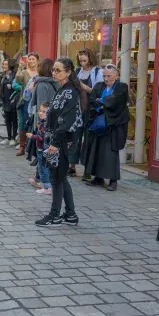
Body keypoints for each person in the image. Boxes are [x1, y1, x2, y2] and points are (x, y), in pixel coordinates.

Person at [35, 57, 83, 227]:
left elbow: (66, 121)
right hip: (58, 139)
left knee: (56, 179)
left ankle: (55, 216)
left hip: (62, 141)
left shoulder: (70, 92)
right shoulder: (62, 89)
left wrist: (55, 143)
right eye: (53, 70)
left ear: (68, 73)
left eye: (58, 70)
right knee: (61, 178)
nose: (54, 73)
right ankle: (70, 215)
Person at [83, 64, 129, 191]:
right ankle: (98, 177)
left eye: (109, 76)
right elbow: (93, 100)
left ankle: (113, 180)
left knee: (111, 152)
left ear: (116, 75)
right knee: (96, 150)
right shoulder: (99, 86)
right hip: (99, 123)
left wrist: (102, 102)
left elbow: (116, 101)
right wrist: (101, 105)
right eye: (104, 76)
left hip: (114, 124)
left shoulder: (121, 87)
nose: (106, 79)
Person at [76, 48, 104, 179]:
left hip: (91, 110)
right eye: (80, 60)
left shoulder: (97, 72)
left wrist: (82, 86)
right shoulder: (78, 72)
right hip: (78, 109)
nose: (82, 62)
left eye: (84, 60)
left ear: (90, 58)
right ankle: (72, 166)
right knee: (75, 137)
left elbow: (98, 92)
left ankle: (87, 170)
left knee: (88, 140)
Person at [29, 58, 59, 164]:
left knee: (42, 149)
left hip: (45, 121)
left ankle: (41, 177)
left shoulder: (41, 84)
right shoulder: (55, 83)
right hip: (54, 118)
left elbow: (41, 108)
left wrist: (39, 124)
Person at [15, 52, 40, 156]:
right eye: (29, 59)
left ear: (37, 61)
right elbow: (17, 79)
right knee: (23, 124)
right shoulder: (24, 72)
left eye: (33, 59)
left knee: (37, 123)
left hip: (37, 100)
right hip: (25, 101)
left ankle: (35, 146)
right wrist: (20, 68)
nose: (31, 61)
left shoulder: (40, 72)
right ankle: (22, 146)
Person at [27, 102, 52, 195]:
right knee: (43, 167)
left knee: (43, 168)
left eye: (44, 111)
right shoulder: (43, 122)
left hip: (42, 149)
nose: (41, 113)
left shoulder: (45, 124)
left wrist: (32, 136)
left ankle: (47, 187)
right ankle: (43, 183)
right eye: (40, 111)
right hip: (42, 149)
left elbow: (41, 138)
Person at [0, 59, 18, 146]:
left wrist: (12, 87)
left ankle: (13, 138)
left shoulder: (14, 75)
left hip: (13, 99)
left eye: (6, 64)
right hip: (5, 99)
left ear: (10, 65)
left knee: (14, 120)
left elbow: (18, 86)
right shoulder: (2, 75)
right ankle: (9, 137)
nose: (4, 66)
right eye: (3, 64)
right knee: (7, 120)